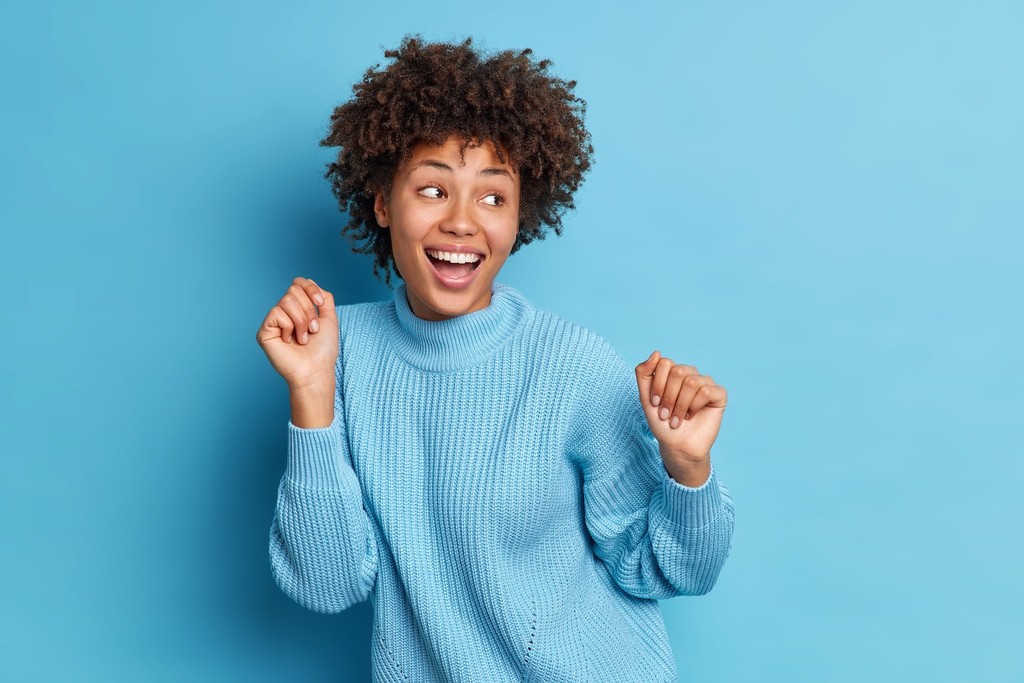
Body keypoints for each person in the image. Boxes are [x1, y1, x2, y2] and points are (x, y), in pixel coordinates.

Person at [255, 34, 735, 682]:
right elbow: (326, 584)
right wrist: (311, 393)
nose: (462, 221)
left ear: (518, 217)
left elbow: (671, 570)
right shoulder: (337, 352)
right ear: (382, 203)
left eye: (492, 197)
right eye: (433, 189)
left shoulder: (572, 365)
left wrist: (688, 470)